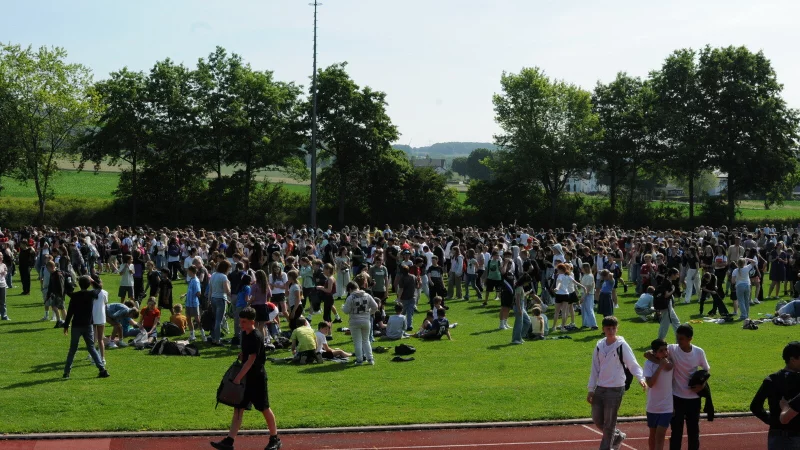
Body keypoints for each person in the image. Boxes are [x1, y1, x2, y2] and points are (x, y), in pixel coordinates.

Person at [211, 307, 281, 450]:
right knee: (238, 408)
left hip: (256, 378)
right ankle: (229, 441)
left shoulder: (256, 336)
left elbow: (251, 360)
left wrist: (237, 378)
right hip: (246, 378)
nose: (240, 324)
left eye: (243, 322)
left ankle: (275, 439)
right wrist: (242, 354)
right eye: (240, 321)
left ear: (252, 322)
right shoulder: (245, 333)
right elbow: (247, 354)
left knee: (264, 408)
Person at [645, 324, 710, 450]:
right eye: (677, 338)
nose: (678, 341)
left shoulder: (699, 352)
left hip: (694, 398)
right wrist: (663, 364)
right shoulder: (672, 349)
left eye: (681, 339)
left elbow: (706, 369)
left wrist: (702, 385)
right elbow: (648, 354)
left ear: (690, 338)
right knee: (676, 432)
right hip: (676, 398)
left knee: (694, 431)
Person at [587, 316, 646, 450]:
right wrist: (591, 389)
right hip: (600, 388)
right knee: (597, 419)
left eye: (614, 328)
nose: (611, 331)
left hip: (616, 389)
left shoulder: (622, 345)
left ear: (617, 328)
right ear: (603, 329)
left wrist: (641, 378)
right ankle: (618, 436)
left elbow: (632, 364)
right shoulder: (599, 346)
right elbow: (594, 368)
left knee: (609, 423)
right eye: (608, 328)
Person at [751, 341, 800, 449]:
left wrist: (772, 421)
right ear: (792, 359)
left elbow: (755, 406)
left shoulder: (771, 379)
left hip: (776, 436)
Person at [62, 275, 109, 379]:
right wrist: (92, 281)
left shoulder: (74, 296)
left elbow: (70, 312)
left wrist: (66, 326)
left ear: (79, 284)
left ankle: (66, 372)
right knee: (91, 348)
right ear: (89, 285)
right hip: (87, 325)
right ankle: (102, 369)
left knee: (72, 349)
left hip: (76, 326)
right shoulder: (91, 294)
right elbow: (99, 288)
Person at [644, 339, 674, 450]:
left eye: (666, 350)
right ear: (655, 352)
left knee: (660, 435)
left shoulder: (670, 360)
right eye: (661, 351)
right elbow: (650, 384)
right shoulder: (648, 364)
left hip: (667, 407)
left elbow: (669, 367)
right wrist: (659, 367)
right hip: (653, 406)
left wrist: (661, 363)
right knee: (652, 435)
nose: (665, 352)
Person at [342, 281, 379, 365]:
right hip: (366, 320)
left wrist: (343, 308)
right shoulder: (367, 295)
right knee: (366, 340)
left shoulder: (350, 297)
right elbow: (376, 307)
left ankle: (359, 360)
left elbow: (346, 311)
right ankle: (370, 359)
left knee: (357, 341)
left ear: (350, 289)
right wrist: (369, 313)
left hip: (354, 321)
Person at [208, 260, 232, 346]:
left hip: (213, 298)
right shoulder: (223, 277)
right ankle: (217, 340)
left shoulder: (213, 275)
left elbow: (210, 289)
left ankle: (214, 337)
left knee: (215, 320)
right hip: (221, 299)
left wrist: (209, 300)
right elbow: (226, 290)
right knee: (219, 320)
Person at [511, 273, 532, 344]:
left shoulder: (520, 287)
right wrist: (519, 309)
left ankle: (520, 337)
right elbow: (517, 299)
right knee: (518, 324)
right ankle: (515, 339)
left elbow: (521, 297)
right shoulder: (519, 287)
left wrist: (527, 293)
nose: (528, 284)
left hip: (521, 306)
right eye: (528, 282)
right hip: (518, 307)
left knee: (528, 321)